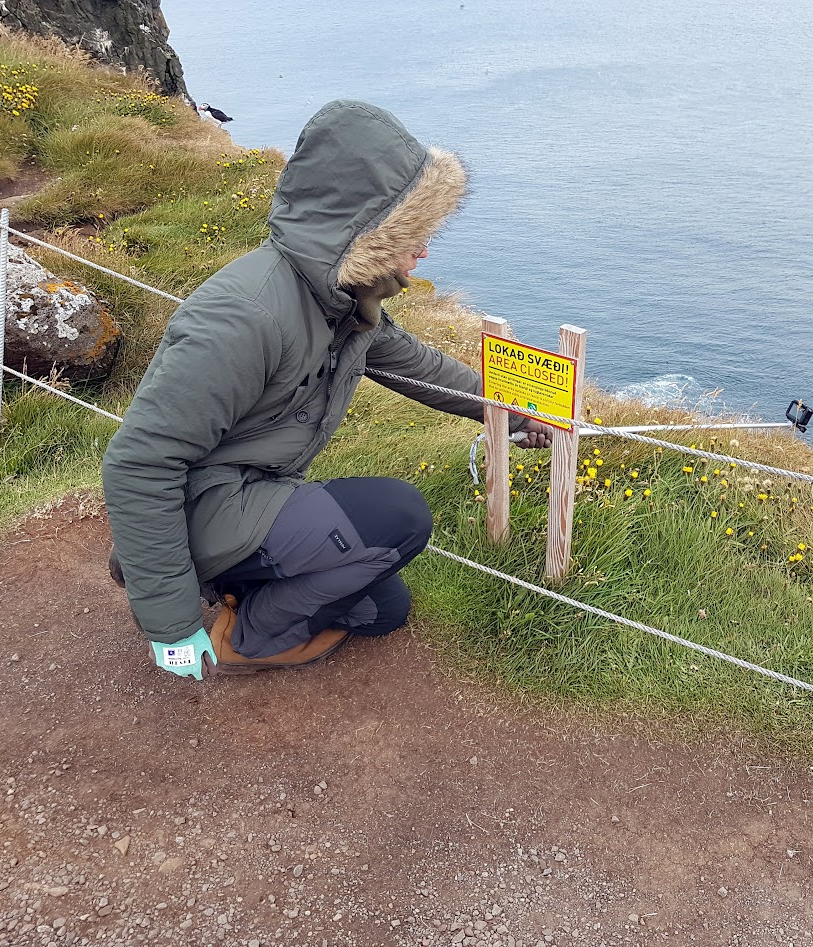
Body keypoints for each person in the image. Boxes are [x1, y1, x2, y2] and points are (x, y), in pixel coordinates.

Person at [102, 100, 553, 680]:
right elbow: (139, 463)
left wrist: (518, 412)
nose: (423, 250)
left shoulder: (344, 301)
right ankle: (246, 637)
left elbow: (421, 367)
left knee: (382, 610)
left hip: (249, 494)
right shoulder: (244, 316)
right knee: (398, 515)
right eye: (411, 233)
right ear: (364, 231)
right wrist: (169, 622)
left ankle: (230, 580)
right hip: (206, 501)